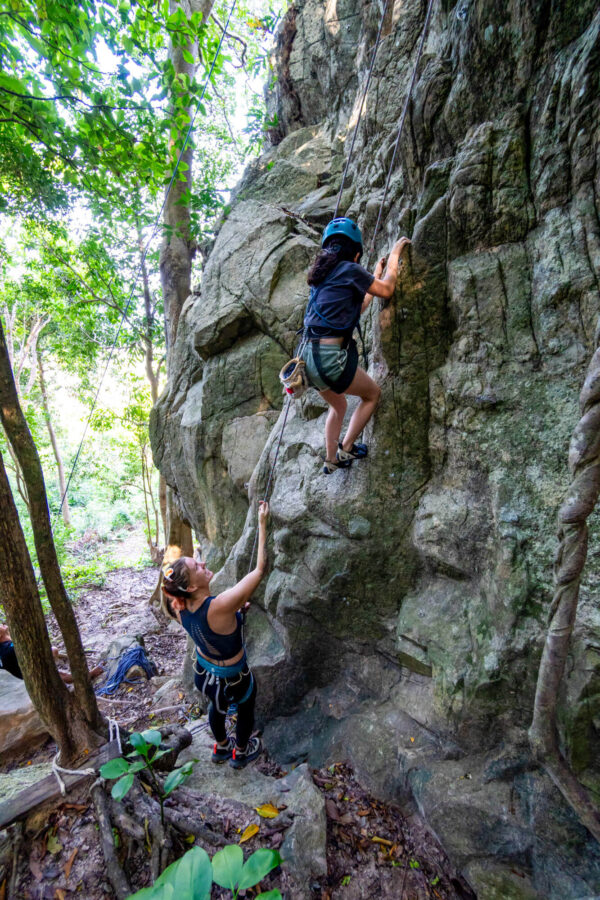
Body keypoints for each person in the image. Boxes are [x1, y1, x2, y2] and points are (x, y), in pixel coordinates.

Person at [161, 501, 269, 769]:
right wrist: (263, 524)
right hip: (234, 677)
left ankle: (221, 748)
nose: (203, 561)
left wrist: (235, 614)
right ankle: (240, 753)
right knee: (245, 710)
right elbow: (259, 571)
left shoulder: (179, 607)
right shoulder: (219, 606)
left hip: (204, 674)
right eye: (197, 566)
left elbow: (212, 626)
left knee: (216, 708)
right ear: (192, 585)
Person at [302, 217, 411, 474]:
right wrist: (395, 254)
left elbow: (357, 308)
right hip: (329, 360)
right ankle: (347, 447)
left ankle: (331, 459)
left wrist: (372, 276)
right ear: (356, 254)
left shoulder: (322, 280)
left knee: (338, 405)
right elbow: (387, 290)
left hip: (307, 360)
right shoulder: (350, 270)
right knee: (372, 394)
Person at [0, 624, 102, 684]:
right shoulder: (10, 648)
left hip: (22, 676)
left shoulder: (5, 648)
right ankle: (89, 675)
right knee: (53, 651)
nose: (1, 623)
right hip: (30, 676)